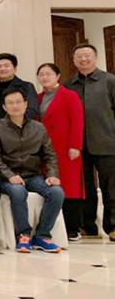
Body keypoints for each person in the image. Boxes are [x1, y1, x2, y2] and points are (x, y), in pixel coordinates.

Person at [0, 87, 64, 253]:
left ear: (26, 104)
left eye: (18, 102)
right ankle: (24, 235)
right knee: (18, 191)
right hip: (7, 177)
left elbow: (50, 155)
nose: (15, 106)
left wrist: (52, 175)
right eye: (10, 103)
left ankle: (42, 235)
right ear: (4, 107)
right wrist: (10, 175)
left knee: (57, 192)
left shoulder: (38, 127)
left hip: (33, 176)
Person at [64, 43, 115, 241]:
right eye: (79, 56)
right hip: (78, 146)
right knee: (85, 187)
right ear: (74, 60)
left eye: (87, 56)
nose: (83, 59)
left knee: (111, 187)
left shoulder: (110, 80)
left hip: (107, 142)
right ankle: (87, 225)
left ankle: (112, 226)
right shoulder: (68, 84)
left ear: (96, 58)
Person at [37, 63, 84, 241]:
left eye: (49, 74)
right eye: (41, 74)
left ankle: (72, 228)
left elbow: (78, 122)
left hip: (66, 147)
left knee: (70, 186)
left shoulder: (69, 95)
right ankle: (55, 227)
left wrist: (75, 145)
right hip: (46, 147)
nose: (45, 77)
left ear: (57, 76)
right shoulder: (38, 97)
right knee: (51, 184)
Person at [0, 53, 38, 122]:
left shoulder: (27, 86)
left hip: (22, 126)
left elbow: (32, 110)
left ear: (15, 68)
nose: (2, 69)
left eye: (6, 66)